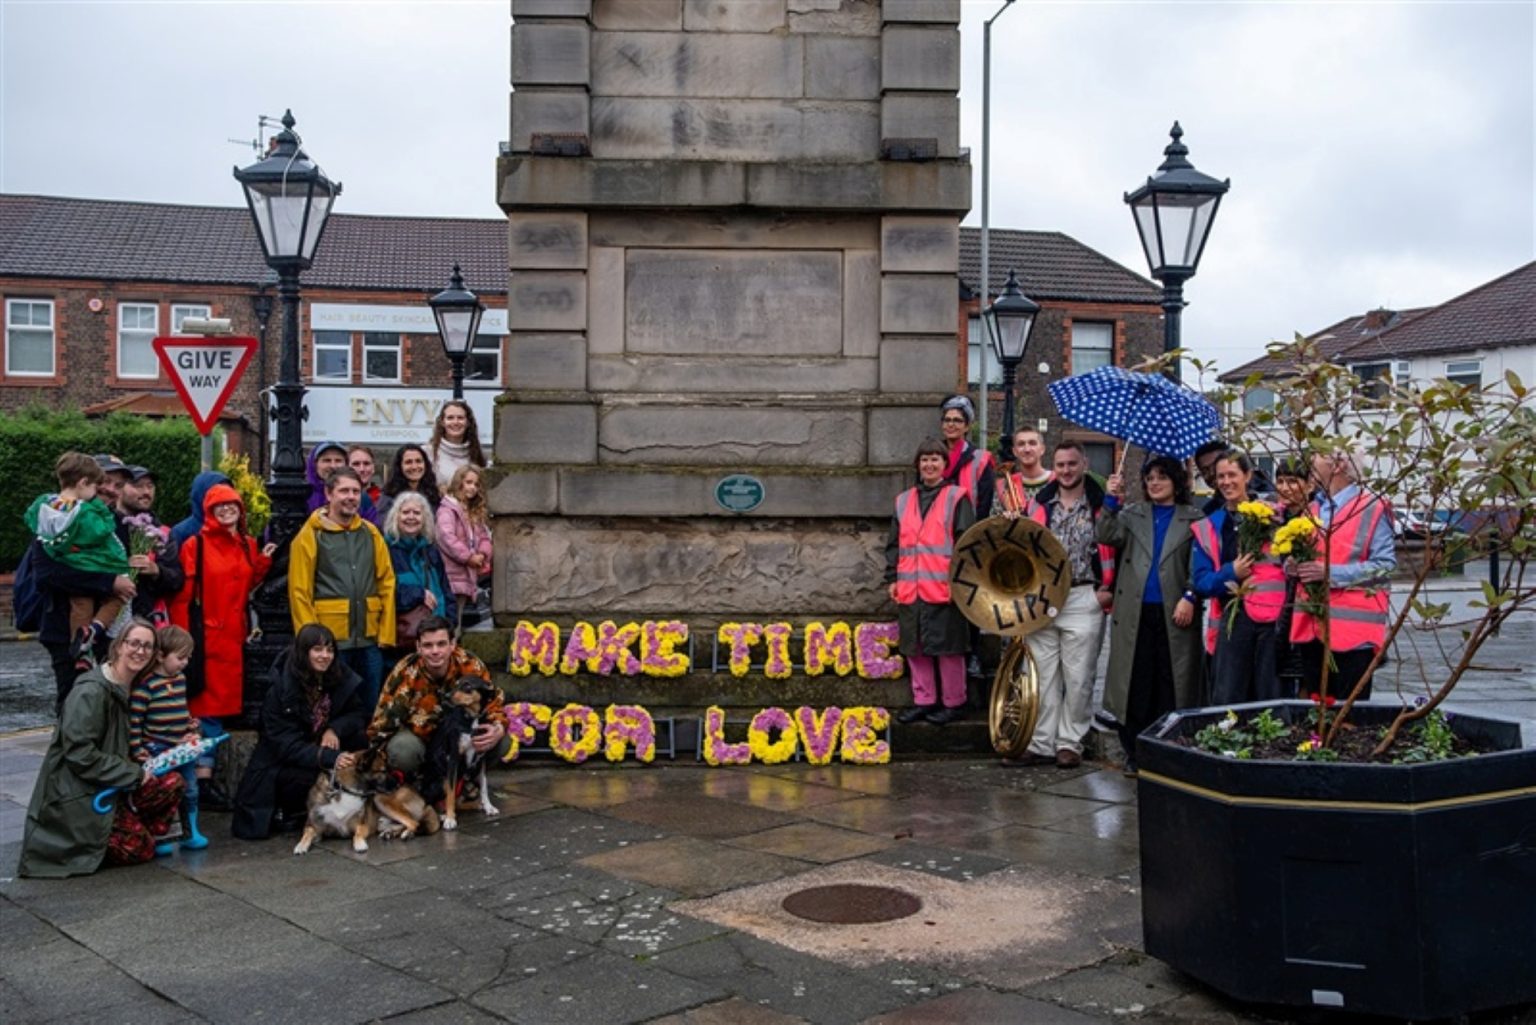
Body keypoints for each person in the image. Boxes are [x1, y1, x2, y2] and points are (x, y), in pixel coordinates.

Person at [19, 619, 184, 878]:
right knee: (139, 850)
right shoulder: (91, 692)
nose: (140, 651)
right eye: (134, 643)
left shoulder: (134, 686)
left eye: (147, 647)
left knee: (172, 781)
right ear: (118, 646)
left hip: (109, 783)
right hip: (77, 797)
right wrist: (134, 774)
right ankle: (114, 838)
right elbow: (80, 754)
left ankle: (129, 827)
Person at [170, 483, 276, 810]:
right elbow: (183, 597)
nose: (227, 511)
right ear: (209, 511)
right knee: (205, 712)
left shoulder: (246, 544)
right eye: (220, 507)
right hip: (207, 641)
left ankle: (203, 779)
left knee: (217, 712)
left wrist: (261, 563)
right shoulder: (195, 545)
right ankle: (200, 782)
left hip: (235, 639)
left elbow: (245, 584)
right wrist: (183, 644)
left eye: (232, 506)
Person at [1099, 457, 1203, 775]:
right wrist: (1110, 499)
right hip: (1135, 613)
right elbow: (1105, 534)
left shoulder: (1194, 518)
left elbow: (1198, 564)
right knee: (1135, 682)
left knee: (1170, 682)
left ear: (1176, 481)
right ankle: (1135, 751)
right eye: (1149, 478)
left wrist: (1190, 595)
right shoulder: (1132, 515)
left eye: (1162, 477)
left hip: (1174, 613)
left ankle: (1168, 749)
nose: (1154, 483)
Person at [1011, 442, 1112, 768]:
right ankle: (1041, 741)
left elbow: (1118, 544)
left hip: (1084, 594)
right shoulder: (1039, 505)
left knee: (1079, 676)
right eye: (1061, 464)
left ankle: (1070, 742)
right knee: (1041, 675)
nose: (1066, 470)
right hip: (1043, 596)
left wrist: (1107, 588)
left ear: (1084, 463)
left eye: (1072, 464)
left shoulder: (1101, 503)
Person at [231, 624, 369, 840]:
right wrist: (328, 757)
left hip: (322, 745)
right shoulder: (281, 690)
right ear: (304, 652)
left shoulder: (337, 676)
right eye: (317, 650)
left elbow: (358, 712)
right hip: (283, 763)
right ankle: (288, 810)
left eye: (330, 649)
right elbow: (284, 745)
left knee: (359, 739)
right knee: (309, 776)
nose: (325, 656)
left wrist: (334, 729)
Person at [1289, 449, 1395, 700]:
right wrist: (1293, 566)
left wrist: (1329, 574)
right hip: (1311, 628)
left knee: (1350, 717)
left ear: (1337, 465)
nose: (1311, 462)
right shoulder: (1311, 508)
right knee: (1315, 711)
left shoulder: (1372, 508)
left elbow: (1384, 566)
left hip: (1353, 634)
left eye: (1317, 455)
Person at [289, 467, 397, 710]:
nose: (351, 496)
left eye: (356, 491)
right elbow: (299, 591)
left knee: (371, 706)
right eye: (344, 491)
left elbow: (387, 582)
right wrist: (311, 643)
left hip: (369, 640)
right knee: (332, 707)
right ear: (329, 494)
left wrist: (386, 633)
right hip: (331, 641)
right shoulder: (310, 535)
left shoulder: (371, 533)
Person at [886, 438, 976, 726]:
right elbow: (894, 545)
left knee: (949, 648)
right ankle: (924, 701)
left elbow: (967, 543)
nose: (929, 464)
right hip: (910, 587)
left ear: (944, 465)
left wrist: (960, 582)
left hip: (945, 588)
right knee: (917, 648)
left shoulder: (957, 497)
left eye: (935, 459)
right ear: (918, 465)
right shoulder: (903, 501)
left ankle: (954, 702)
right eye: (924, 460)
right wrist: (892, 578)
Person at [1191, 451, 1290, 705]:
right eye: (1220, 476)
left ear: (1247, 476)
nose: (1226, 482)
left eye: (1232, 474)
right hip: (1232, 623)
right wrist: (1230, 573)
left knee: (1269, 698)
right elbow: (1201, 581)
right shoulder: (1209, 526)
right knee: (1229, 699)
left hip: (1271, 622)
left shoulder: (1274, 516)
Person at [368, 616, 509, 787]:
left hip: (458, 737)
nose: (435, 651)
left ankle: (464, 781)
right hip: (420, 739)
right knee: (403, 750)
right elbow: (382, 721)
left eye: (441, 644)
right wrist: (374, 759)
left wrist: (498, 728)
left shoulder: (470, 665)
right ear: (418, 647)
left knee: (502, 741)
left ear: (452, 644)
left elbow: (493, 701)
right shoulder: (405, 671)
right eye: (428, 645)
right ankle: (413, 783)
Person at [24, 451, 130, 668]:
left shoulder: (122, 523)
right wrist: (109, 582)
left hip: (114, 635)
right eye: (106, 481)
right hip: (63, 630)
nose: (110, 489)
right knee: (74, 698)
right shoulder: (58, 519)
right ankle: (82, 646)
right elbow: (47, 575)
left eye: (118, 485)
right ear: (86, 481)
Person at [128, 626, 206, 852]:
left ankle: (190, 832)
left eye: (188, 657)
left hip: (182, 745)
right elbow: (135, 719)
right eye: (180, 657)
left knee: (190, 789)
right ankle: (161, 836)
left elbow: (179, 709)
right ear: (161, 655)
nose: (185, 663)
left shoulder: (180, 679)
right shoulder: (146, 685)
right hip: (157, 747)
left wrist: (189, 723)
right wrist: (136, 748)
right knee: (163, 794)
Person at [113, 465, 185, 628]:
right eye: (138, 486)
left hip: (147, 623)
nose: (146, 492)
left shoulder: (162, 532)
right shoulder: (106, 527)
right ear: (119, 489)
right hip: (109, 620)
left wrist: (157, 571)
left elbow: (177, 580)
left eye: (150, 486)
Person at [382, 491, 450, 662]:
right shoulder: (386, 549)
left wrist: (451, 625)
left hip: (435, 636)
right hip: (403, 640)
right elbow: (384, 592)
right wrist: (418, 594)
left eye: (416, 513)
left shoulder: (430, 549)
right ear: (395, 516)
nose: (411, 517)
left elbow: (445, 589)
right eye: (405, 512)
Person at [1271, 457, 1314, 694]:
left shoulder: (1316, 521)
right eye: (1280, 481)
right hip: (1285, 611)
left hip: (1308, 609)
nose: (1285, 488)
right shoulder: (1277, 520)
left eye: (1292, 481)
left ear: (1309, 485)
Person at [437, 465, 494, 634]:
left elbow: (484, 536)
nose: (473, 488)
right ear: (458, 482)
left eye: (476, 484)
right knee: (449, 622)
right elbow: (447, 538)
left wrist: (483, 554)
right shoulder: (448, 510)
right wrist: (468, 557)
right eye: (468, 482)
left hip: (466, 574)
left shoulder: (473, 511)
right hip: (450, 573)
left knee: (457, 622)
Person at [306, 440, 380, 525]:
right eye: (326, 460)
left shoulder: (361, 497)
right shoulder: (304, 494)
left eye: (338, 460)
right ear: (315, 464)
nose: (333, 466)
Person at [427, 400, 487, 490]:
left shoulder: (478, 455)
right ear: (442, 422)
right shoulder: (428, 453)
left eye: (460, 418)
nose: (455, 422)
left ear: (468, 423)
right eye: (450, 418)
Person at [377, 443, 442, 520]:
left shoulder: (434, 495)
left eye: (418, 461)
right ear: (399, 466)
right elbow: (383, 523)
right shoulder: (389, 496)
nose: (414, 467)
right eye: (408, 462)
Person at [169, 470, 233, 548]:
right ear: (202, 496)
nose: (224, 500)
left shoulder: (233, 530)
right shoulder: (181, 533)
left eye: (228, 494)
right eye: (218, 494)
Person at [997, 427, 1054, 502]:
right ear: (1014, 451)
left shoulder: (1057, 482)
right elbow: (995, 512)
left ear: (1042, 449)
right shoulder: (1005, 486)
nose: (1027, 449)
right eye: (1021, 444)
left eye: (1032, 443)